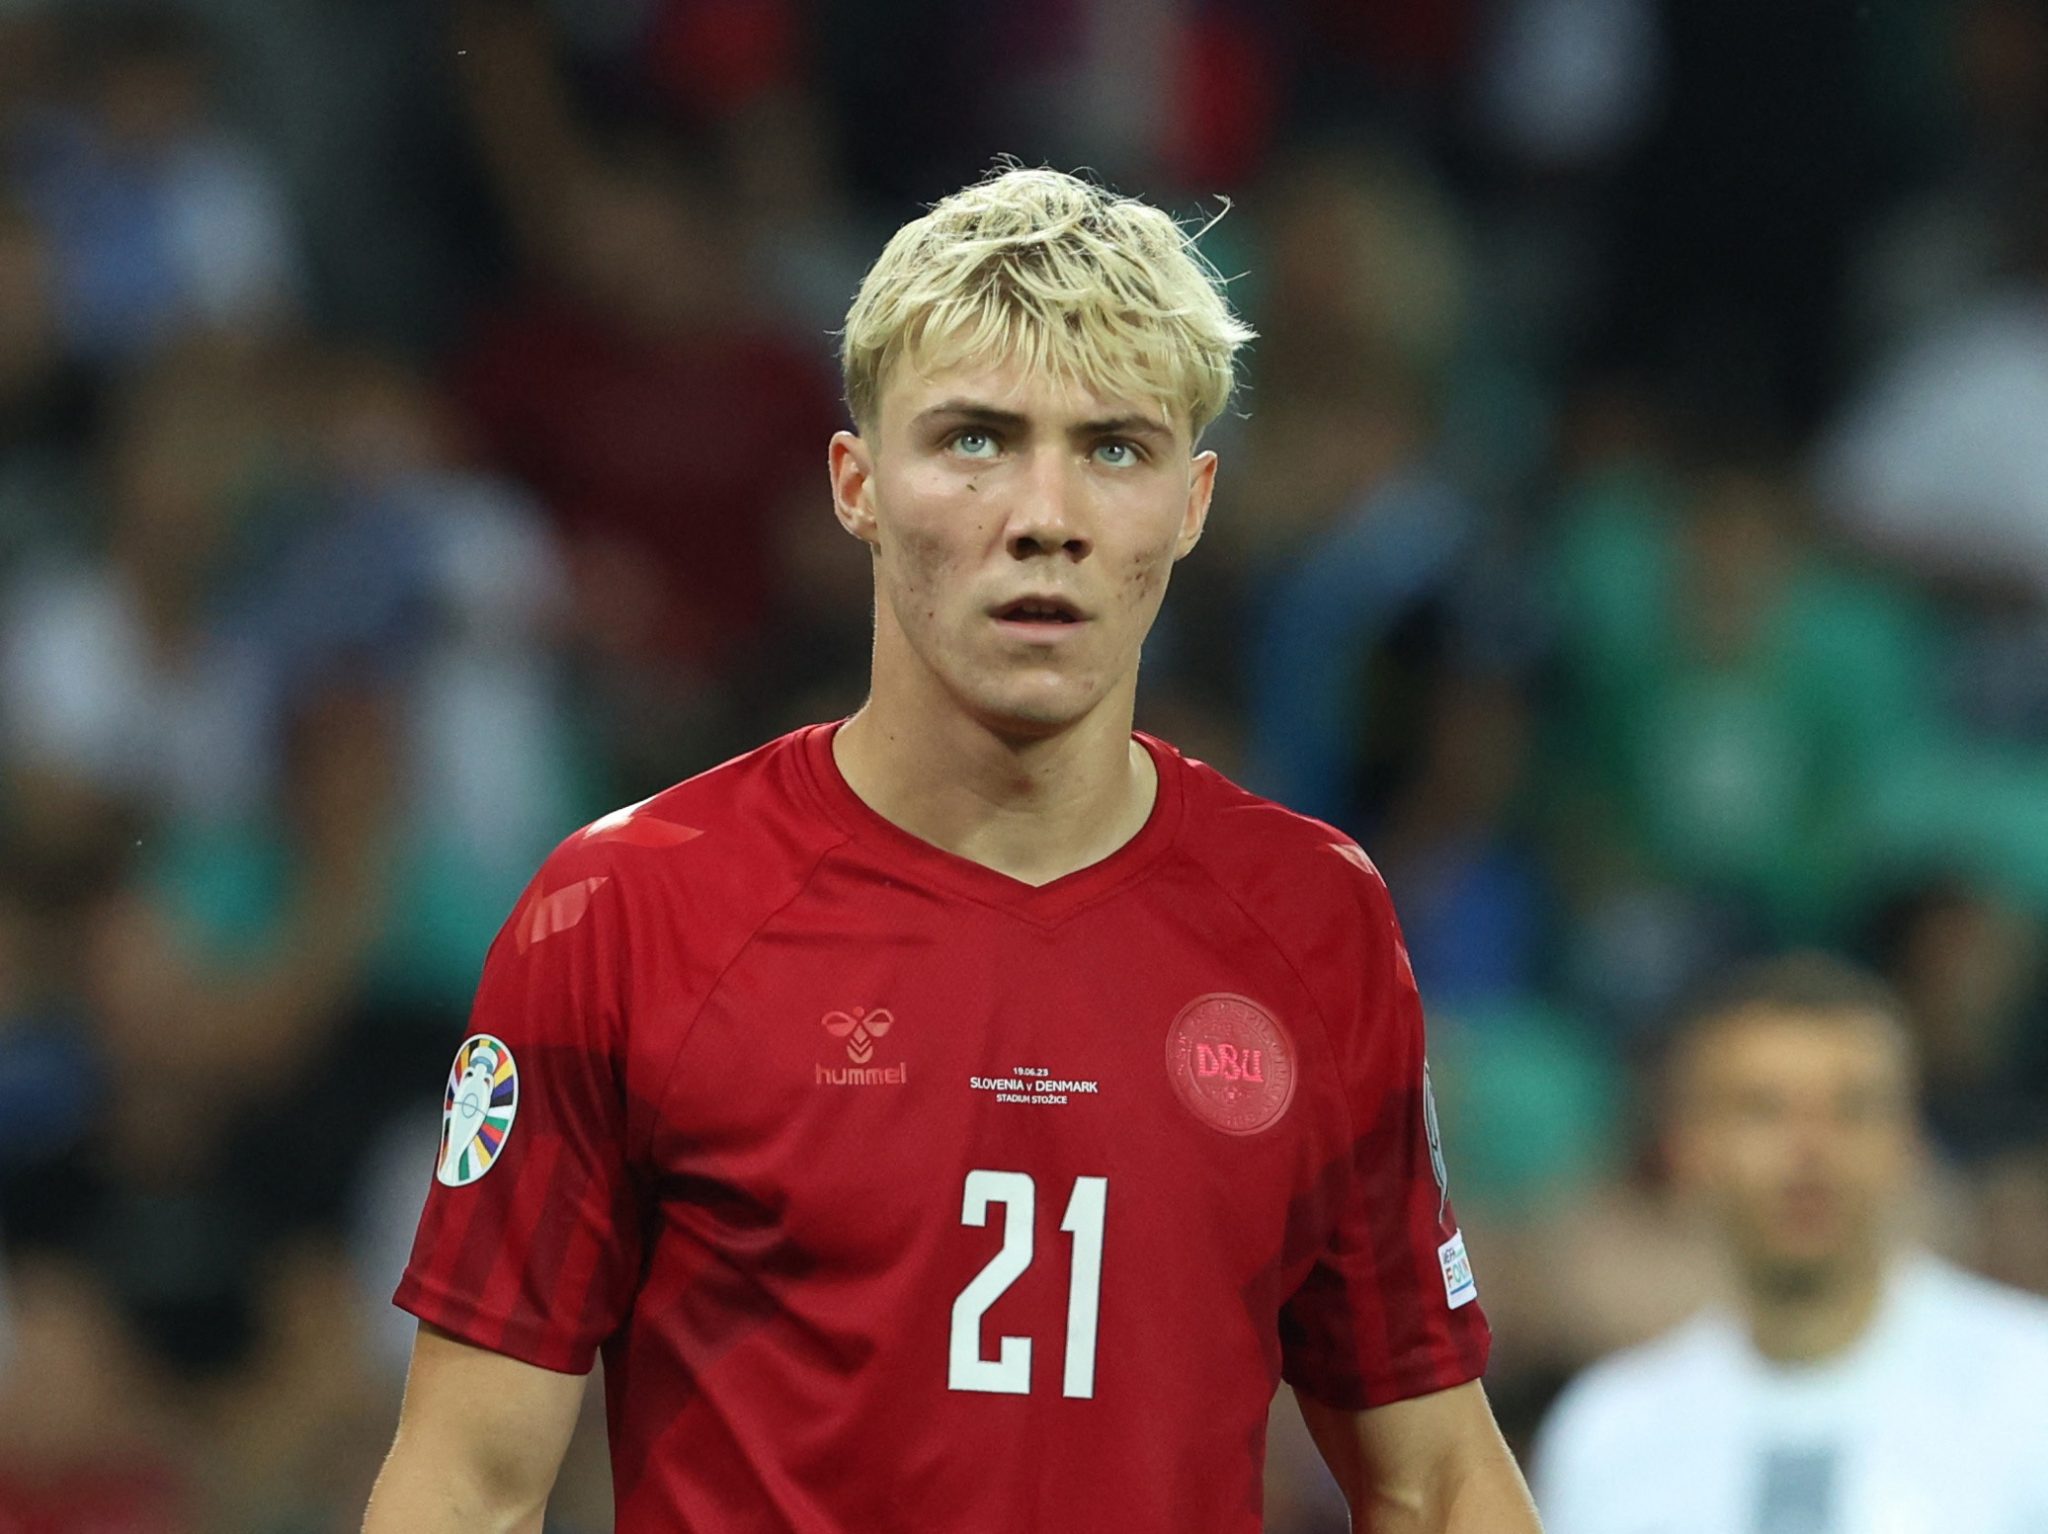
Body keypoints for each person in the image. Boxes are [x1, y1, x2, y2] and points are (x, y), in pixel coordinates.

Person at [362, 166, 1540, 1533]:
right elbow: (468, 1485)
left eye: (1115, 448)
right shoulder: (627, 908)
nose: (1045, 515)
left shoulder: (1313, 920)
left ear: (1194, 500)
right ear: (856, 483)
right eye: (976, 439)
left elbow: (1437, 1478)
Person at [1532, 952, 2048, 1533]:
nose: (1810, 1150)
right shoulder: (1608, 1434)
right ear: (1688, 1146)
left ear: (1910, 1140)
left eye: (1851, 1108)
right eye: (1765, 1110)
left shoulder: (2034, 1392)